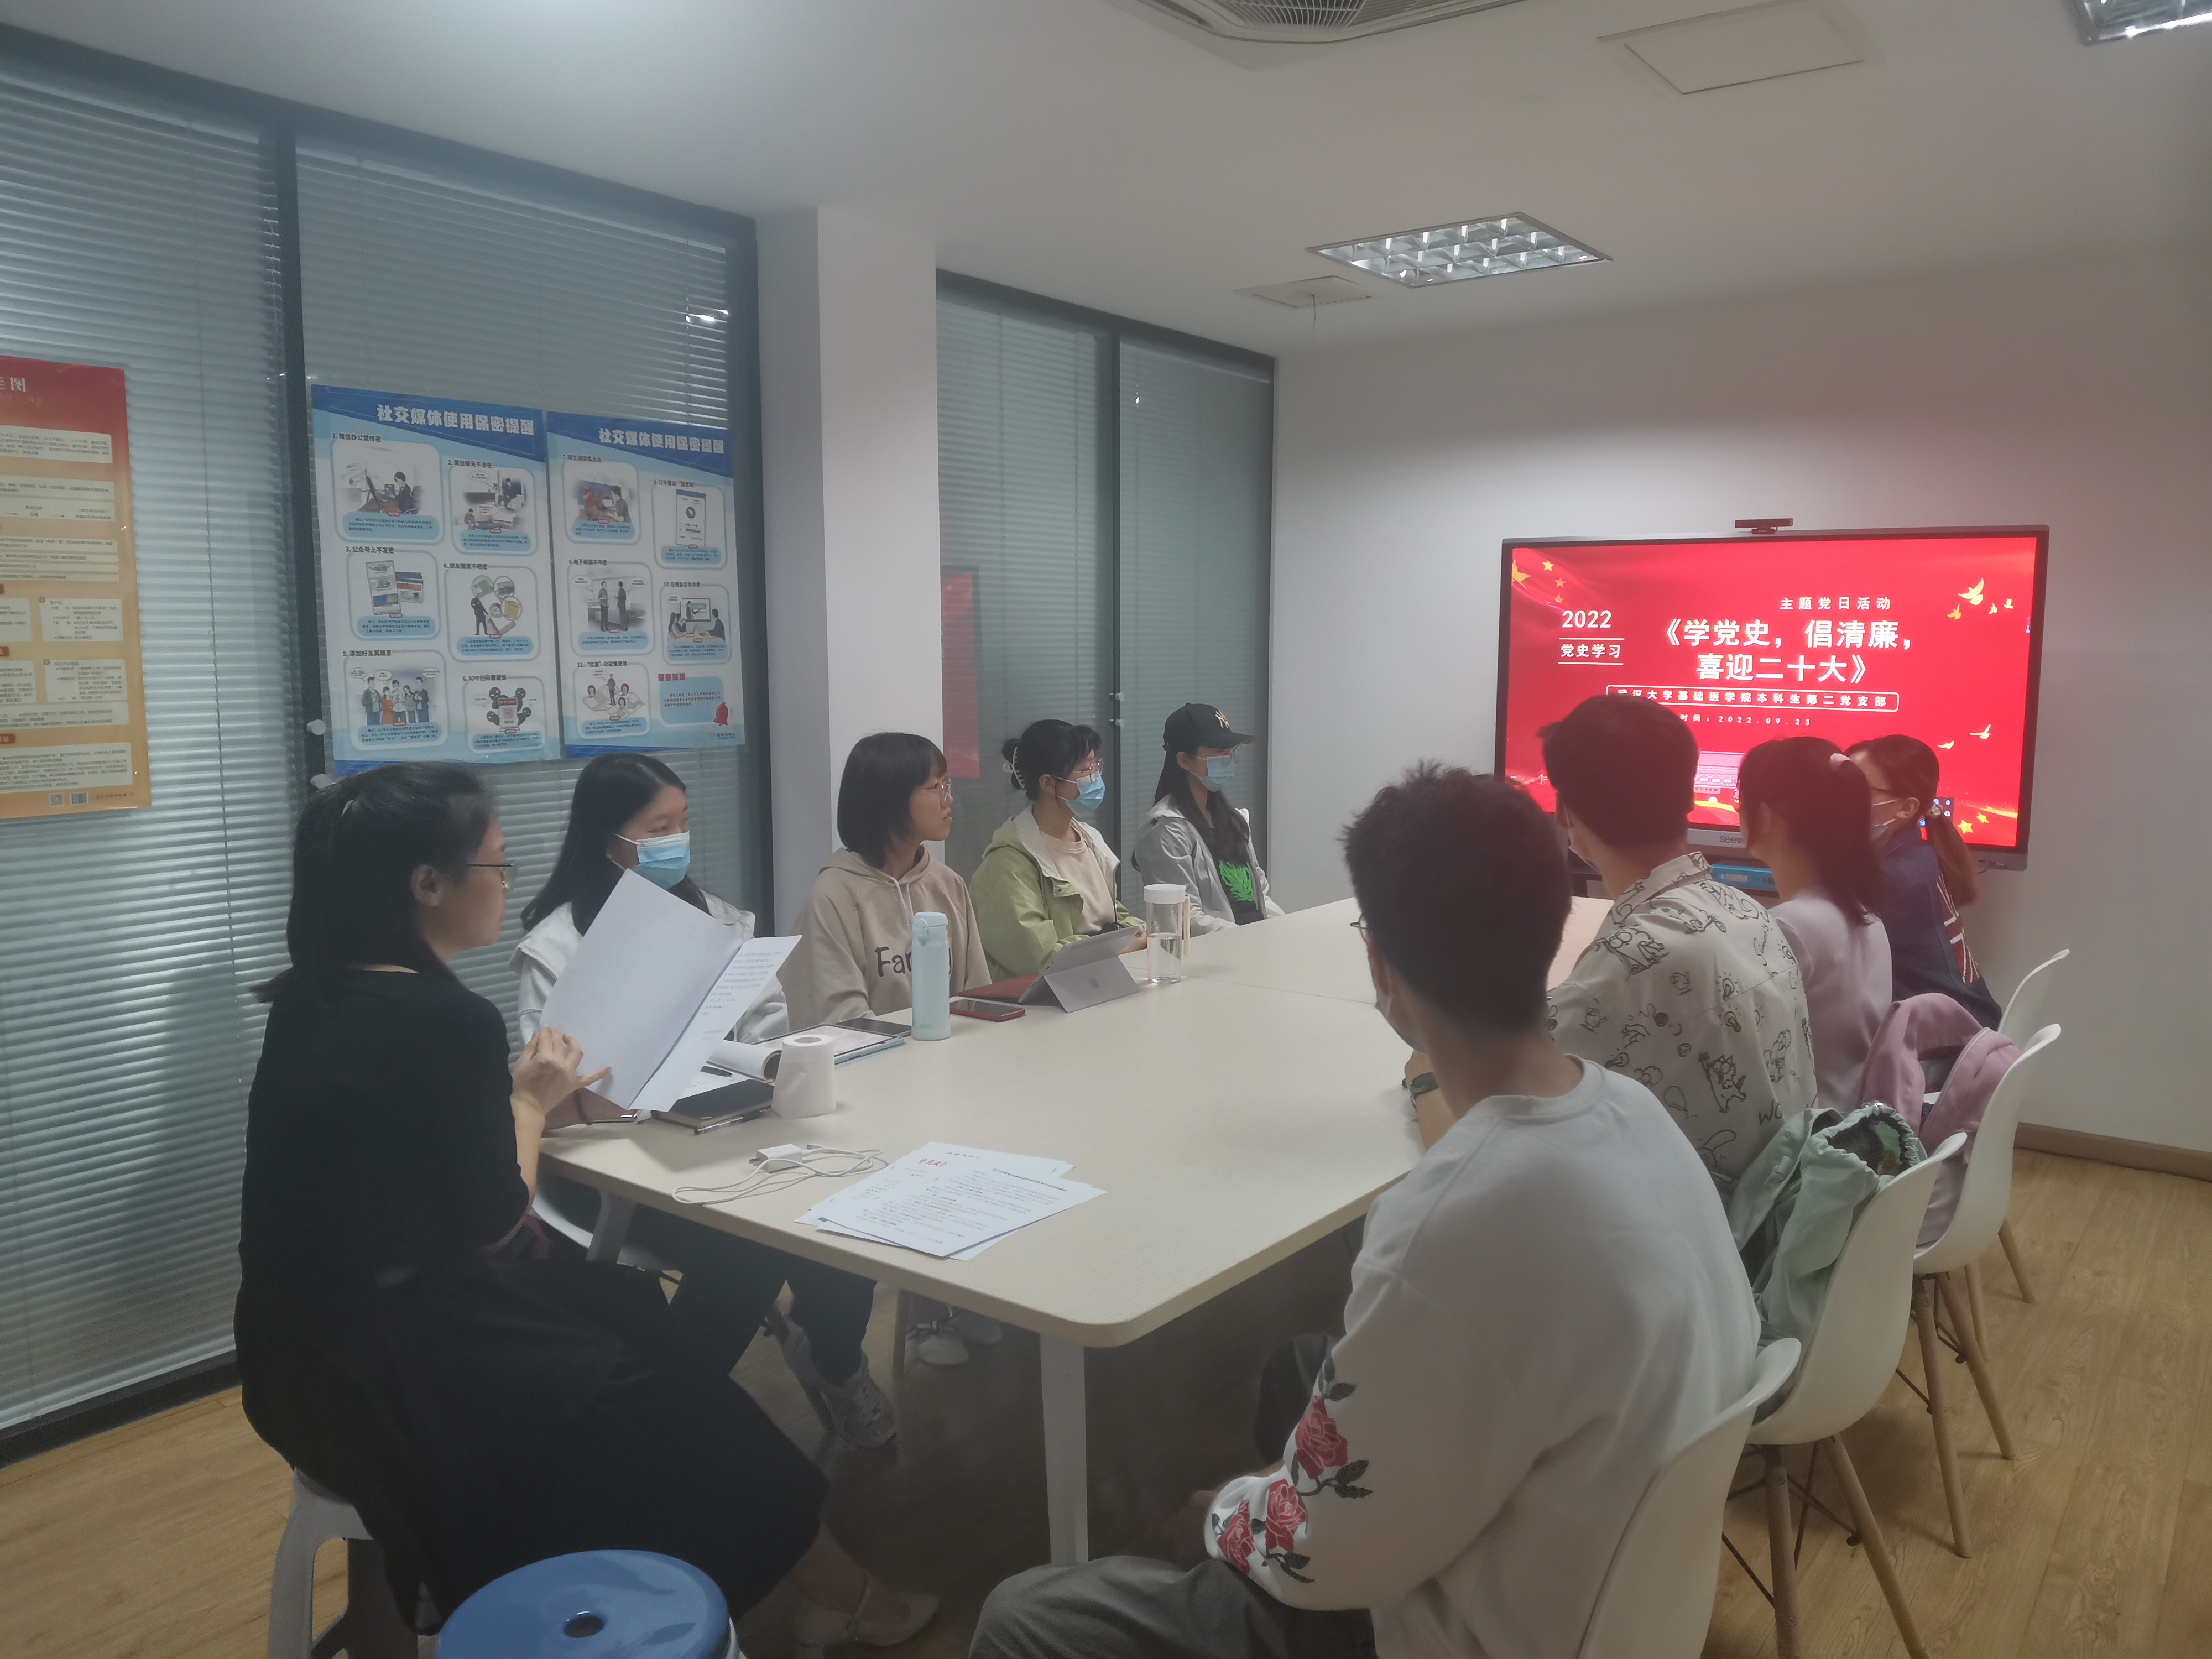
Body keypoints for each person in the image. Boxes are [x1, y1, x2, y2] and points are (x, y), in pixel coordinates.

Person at [973, 765, 1759, 1659]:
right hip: (1606, 1578)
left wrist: (1223, 1516)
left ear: (1381, 963)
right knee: (1297, 1373)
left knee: (1024, 1616)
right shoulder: (1637, 1114)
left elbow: (1321, 1558)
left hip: (1457, 1623)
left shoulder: (1452, 1220)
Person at [233, 762, 936, 1647]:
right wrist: (530, 1104)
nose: (504, 883)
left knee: (632, 1318)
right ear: (427, 884)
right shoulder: (442, 1018)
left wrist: (531, 1104)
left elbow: (410, 1169)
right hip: (398, 1369)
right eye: (495, 865)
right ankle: (840, 1593)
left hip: (295, 1362)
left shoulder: (315, 999)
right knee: (693, 1413)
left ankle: (696, 1569)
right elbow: (494, 1221)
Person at [510, 756, 894, 1449]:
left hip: (731, 1133)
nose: (677, 840)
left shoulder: (717, 921)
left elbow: (767, 1029)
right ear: (607, 840)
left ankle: (835, 1360)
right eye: (658, 828)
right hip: (612, 1165)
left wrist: (760, 1062)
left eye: (682, 823)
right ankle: (671, 1410)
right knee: (746, 1244)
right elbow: (548, 1082)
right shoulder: (557, 945)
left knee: (838, 1216)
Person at [780, 732, 999, 1368]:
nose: (949, 798)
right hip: (870, 1092)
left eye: (947, 784)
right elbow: (840, 1023)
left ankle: (961, 1294)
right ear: (888, 801)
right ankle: (919, 1318)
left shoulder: (947, 884)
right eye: (934, 786)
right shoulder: (834, 896)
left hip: (947, 1074)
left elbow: (976, 994)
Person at [1541, 693, 1814, 1192]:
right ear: (1689, 797)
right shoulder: (1748, 910)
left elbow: (1515, 1092)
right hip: (1780, 1206)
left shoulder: (1632, 961)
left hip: (1709, 1227)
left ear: (1566, 815)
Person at [1737, 737, 1893, 1113]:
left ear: (1763, 817)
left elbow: (1740, 1048)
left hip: (1804, 1130)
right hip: (1849, 1119)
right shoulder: (1866, 914)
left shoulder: (1789, 927)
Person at [971, 719, 1143, 980]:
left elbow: (1110, 916)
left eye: (1096, 765)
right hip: (1050, 996)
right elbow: (1040, 957)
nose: (1095, 776)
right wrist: (1118, 948)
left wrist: (1138, 932)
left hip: (1102, 981)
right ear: (1048, 784)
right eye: (1085, 769)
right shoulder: (1009, 864)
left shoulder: (1089, 838)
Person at [1850, 734, 2002, 1028]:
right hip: (1965, 1025)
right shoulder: (1919, 856)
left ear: (1906, 808)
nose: (1841, 800)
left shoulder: (1894, 878)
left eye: (1859, 790)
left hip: (1949, 1041)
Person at [1128, 702, 1284, 933]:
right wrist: (1247, 938)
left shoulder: (1233, 820)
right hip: (1215, 948)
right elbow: (1183, 917)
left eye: (1231, 749)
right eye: (1218, 750)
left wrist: (1283, 928)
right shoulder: (1167, 828)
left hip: (1255, 942)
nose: (1228, 757)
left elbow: (1260, 895)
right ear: (1184, 760)